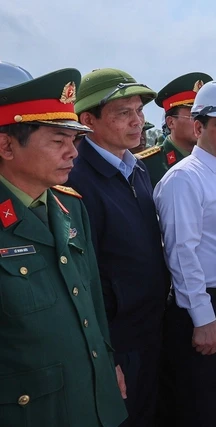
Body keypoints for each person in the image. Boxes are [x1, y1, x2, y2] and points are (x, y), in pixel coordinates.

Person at [0, 68, 127, 427]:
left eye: (74, 139)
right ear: (6, 145)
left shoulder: (70, 207)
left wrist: (106, 361)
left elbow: (91, 298)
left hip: (91, 398)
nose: (73, 152)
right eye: (58, 141)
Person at [66, 68, 171, 427]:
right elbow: (82, 277)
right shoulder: (75, 180)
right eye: (123, 113)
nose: (137, 121)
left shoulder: (136, 169)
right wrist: (104, 355)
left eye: (139, 111)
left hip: (149, 328)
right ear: (88, 120)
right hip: (116, 338)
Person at [154, 80, 216, 427]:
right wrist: (202, 318)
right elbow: (182, 254)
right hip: (208, 308)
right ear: (198, 127)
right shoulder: (184, 179)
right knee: (203, 408)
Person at [137, 72, 213, 187]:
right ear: (170, 122)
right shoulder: (145, 164)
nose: (201, 122)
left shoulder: (215, 158)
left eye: (205, 116)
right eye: (193, 116)